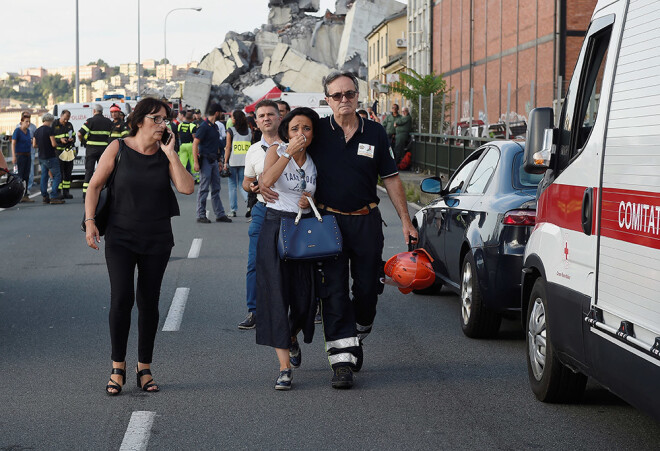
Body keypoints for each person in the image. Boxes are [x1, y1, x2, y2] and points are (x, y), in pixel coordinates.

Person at [264, 71, 418, 389]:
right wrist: (264, 181)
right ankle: (342, 362)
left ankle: (359, 331)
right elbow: (288, 148)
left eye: (349, 94)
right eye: (337, 96)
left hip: (366, 221)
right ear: (328, 100)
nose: (344, 100)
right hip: (327, 224)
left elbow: (390, 178)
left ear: (357, 96)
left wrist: (405, 219)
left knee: (366, 290)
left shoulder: (375, 132)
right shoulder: (318, 131)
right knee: (332, 292)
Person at [84, 97, 194, 396]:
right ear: (141, 119)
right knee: (121, 299)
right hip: (120, 237)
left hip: (157, 238)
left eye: (165, 119)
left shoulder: (164, 153)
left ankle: (144, 367)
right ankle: (117, 367)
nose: (162, 124)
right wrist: (91, 220)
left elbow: (186, 187)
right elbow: (94, 185)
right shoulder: (118, 148)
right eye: (157, 118)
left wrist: (171, 154)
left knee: (149, 303)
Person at [256, 107, 319, 390]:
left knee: (306, 297)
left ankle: (291, 336)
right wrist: (287, 153)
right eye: (294, 129)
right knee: (277, 295)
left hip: (302, 229)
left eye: (305, 129)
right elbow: (266, 182)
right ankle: (283, 368)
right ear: (287, 131)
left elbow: (313, 192)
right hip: (275, 226)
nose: (300, 134)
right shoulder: (277, 150)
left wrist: (308, 201)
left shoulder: (315, 162)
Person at [238, 100, 282, 330]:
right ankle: (254, 311)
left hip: (290, 212)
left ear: (279, 118)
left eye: (270, 114)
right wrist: (252, 187)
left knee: (296, 260)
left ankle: (302, 307)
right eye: (262, 115)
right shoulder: (254, 150)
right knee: (255, 262)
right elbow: (246, 182)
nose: (266, 118)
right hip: (262, 211)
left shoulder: (292, 144)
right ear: (256, 122)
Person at [193, 103, 232, 224]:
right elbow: (195, 143)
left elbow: (217, 146)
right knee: (204, 188)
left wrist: (219, 161)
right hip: (205, 160)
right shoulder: (204, 127)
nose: (222, 114)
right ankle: (201, 214)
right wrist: (195, 162)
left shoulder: (214, 127)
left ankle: (219, 214)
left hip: (214, 160)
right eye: (220, 112)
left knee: (216, 188)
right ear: (216, 113)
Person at [79, 104, 113, 198]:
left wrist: (84, 141)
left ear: (94, 111)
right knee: (103, 171)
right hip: (104, 150)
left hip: (91, 149)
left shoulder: (90, 121)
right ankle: (103, 193)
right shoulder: (108, 121)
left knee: (89, 171)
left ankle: (86, 194)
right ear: (102, 111)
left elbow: (79, 133)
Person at [223, 109, 251, 217]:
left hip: (233, 161)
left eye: (232, 117)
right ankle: (249, 205)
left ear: (235, 119)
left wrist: (225, 162)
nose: (231, 118)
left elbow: (228, 147)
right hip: (245, 161)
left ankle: (233, 210)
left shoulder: (231, 130)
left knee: (232, 186)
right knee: (242, 185)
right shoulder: (249, 130)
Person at [33, 113, 64, 204]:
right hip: (50, 156)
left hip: (41, 156)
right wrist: (58, 144)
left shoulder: (37, 131)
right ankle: (54, 196)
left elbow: (34, 145)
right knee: (57, 175)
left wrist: (42, 145)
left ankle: (45, 196)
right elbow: (53, 144)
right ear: (51, 121)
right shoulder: (50, 130)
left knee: (44, 176)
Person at [52, 110, 75, 199]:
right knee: (59, 172)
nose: (66, 121)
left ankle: (66, 192)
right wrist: (59, 140)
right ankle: (58, 192)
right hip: (58, 151)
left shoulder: (70, 125)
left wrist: (72, 139)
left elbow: (73, 135)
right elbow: (51, 137)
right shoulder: (55, 124)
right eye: (64, 119)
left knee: (68, 172)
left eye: (67, 119)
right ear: (61, 116)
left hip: (68, 151)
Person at [12, 113, 34, 203]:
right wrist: (14, 156)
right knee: (19, 176)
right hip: (20, 155)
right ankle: (17, 195)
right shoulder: (17, 131)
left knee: (26, 176)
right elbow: (13, 143)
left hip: (28, 155)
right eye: (26, 122)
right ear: (21, 122)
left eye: (29, 121)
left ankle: (25, 195)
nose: (28, 123)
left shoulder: (28, 131)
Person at [177, 110, 199, 182]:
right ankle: (197, 178)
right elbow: (194, 137)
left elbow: (179, 135)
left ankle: (181, 178)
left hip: (182, 146)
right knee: (193, 161)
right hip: (190, 145)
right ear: (192, 118)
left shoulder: (180, 125)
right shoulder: (192, 126)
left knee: (182, 162)